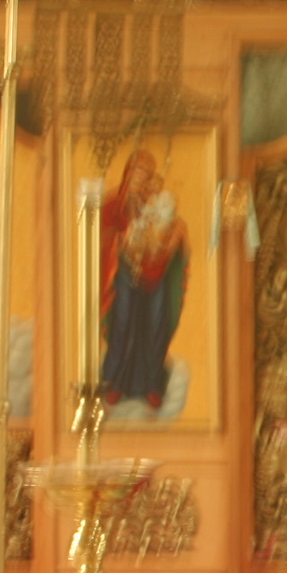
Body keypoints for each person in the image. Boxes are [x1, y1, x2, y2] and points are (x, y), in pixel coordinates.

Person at [100, 149, 189, 409]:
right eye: (137, 174)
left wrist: (172, 237)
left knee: (155, 324)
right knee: (122, 323)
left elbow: (171, 227)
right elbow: (101, 237)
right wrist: (121, 240)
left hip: (155, 271)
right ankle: (114, 383)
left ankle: (152, 385)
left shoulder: (157, 203)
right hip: (124, 273)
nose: (141, 180)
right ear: (128, 175)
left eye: (147, 175)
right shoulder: (113, 204)